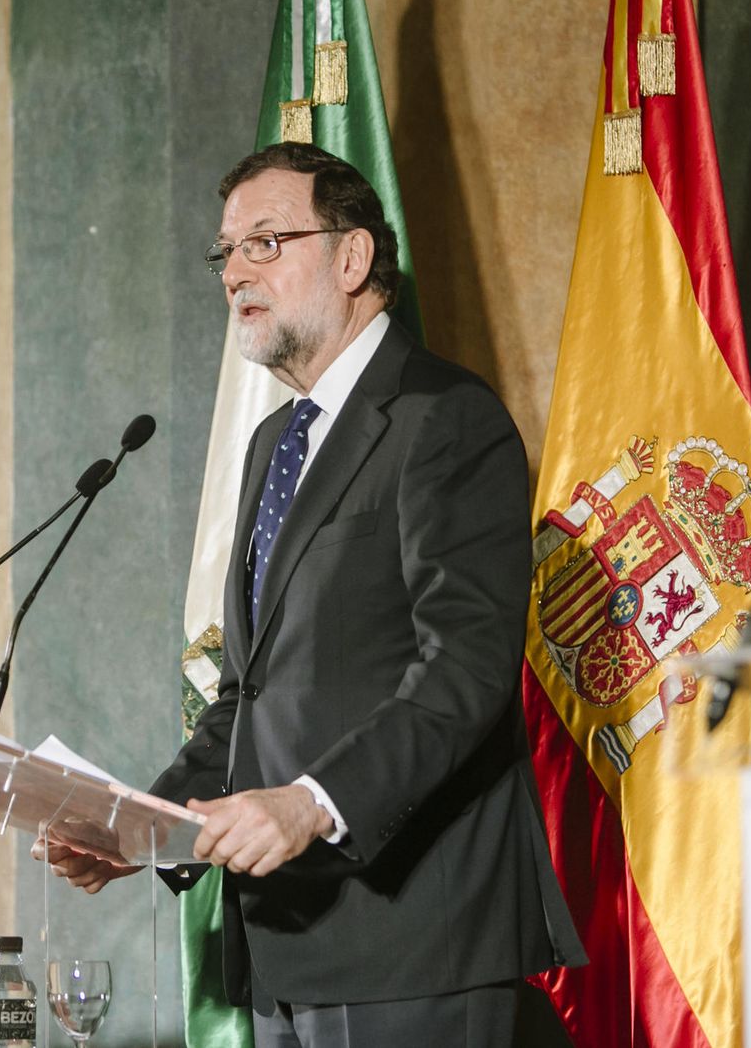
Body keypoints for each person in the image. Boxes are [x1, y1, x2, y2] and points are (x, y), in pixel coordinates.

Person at [37, 142, 584, 1047]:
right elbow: (245, 699)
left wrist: (310, 801)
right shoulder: (275, 446)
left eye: (265, 242)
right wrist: (140, 828)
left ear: (353, 257)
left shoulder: (444, 417)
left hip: (416, 943)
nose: (234, 272)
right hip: (285, 948)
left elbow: (468, 669)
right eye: (225, 252)